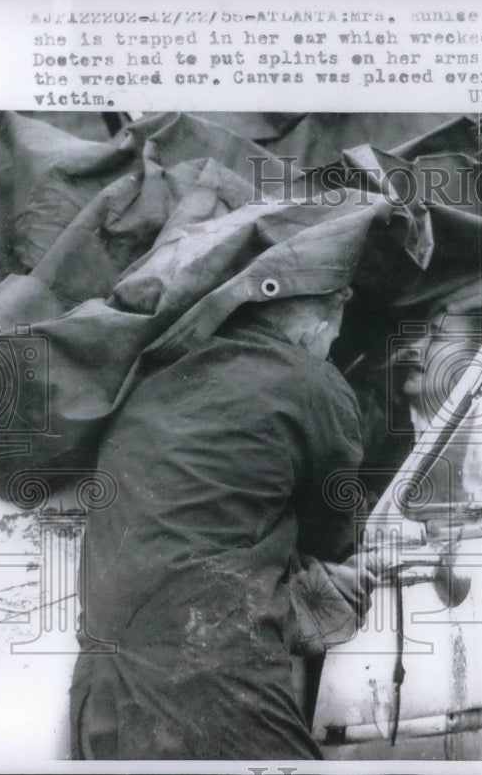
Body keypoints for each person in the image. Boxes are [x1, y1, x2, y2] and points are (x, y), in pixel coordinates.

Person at [69, 286, 375, 760]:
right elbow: (332, 534)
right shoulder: (313, 382)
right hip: (212, 673)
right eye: (334, 335)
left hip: (100, 686)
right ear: (321, 321)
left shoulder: (160, 367)